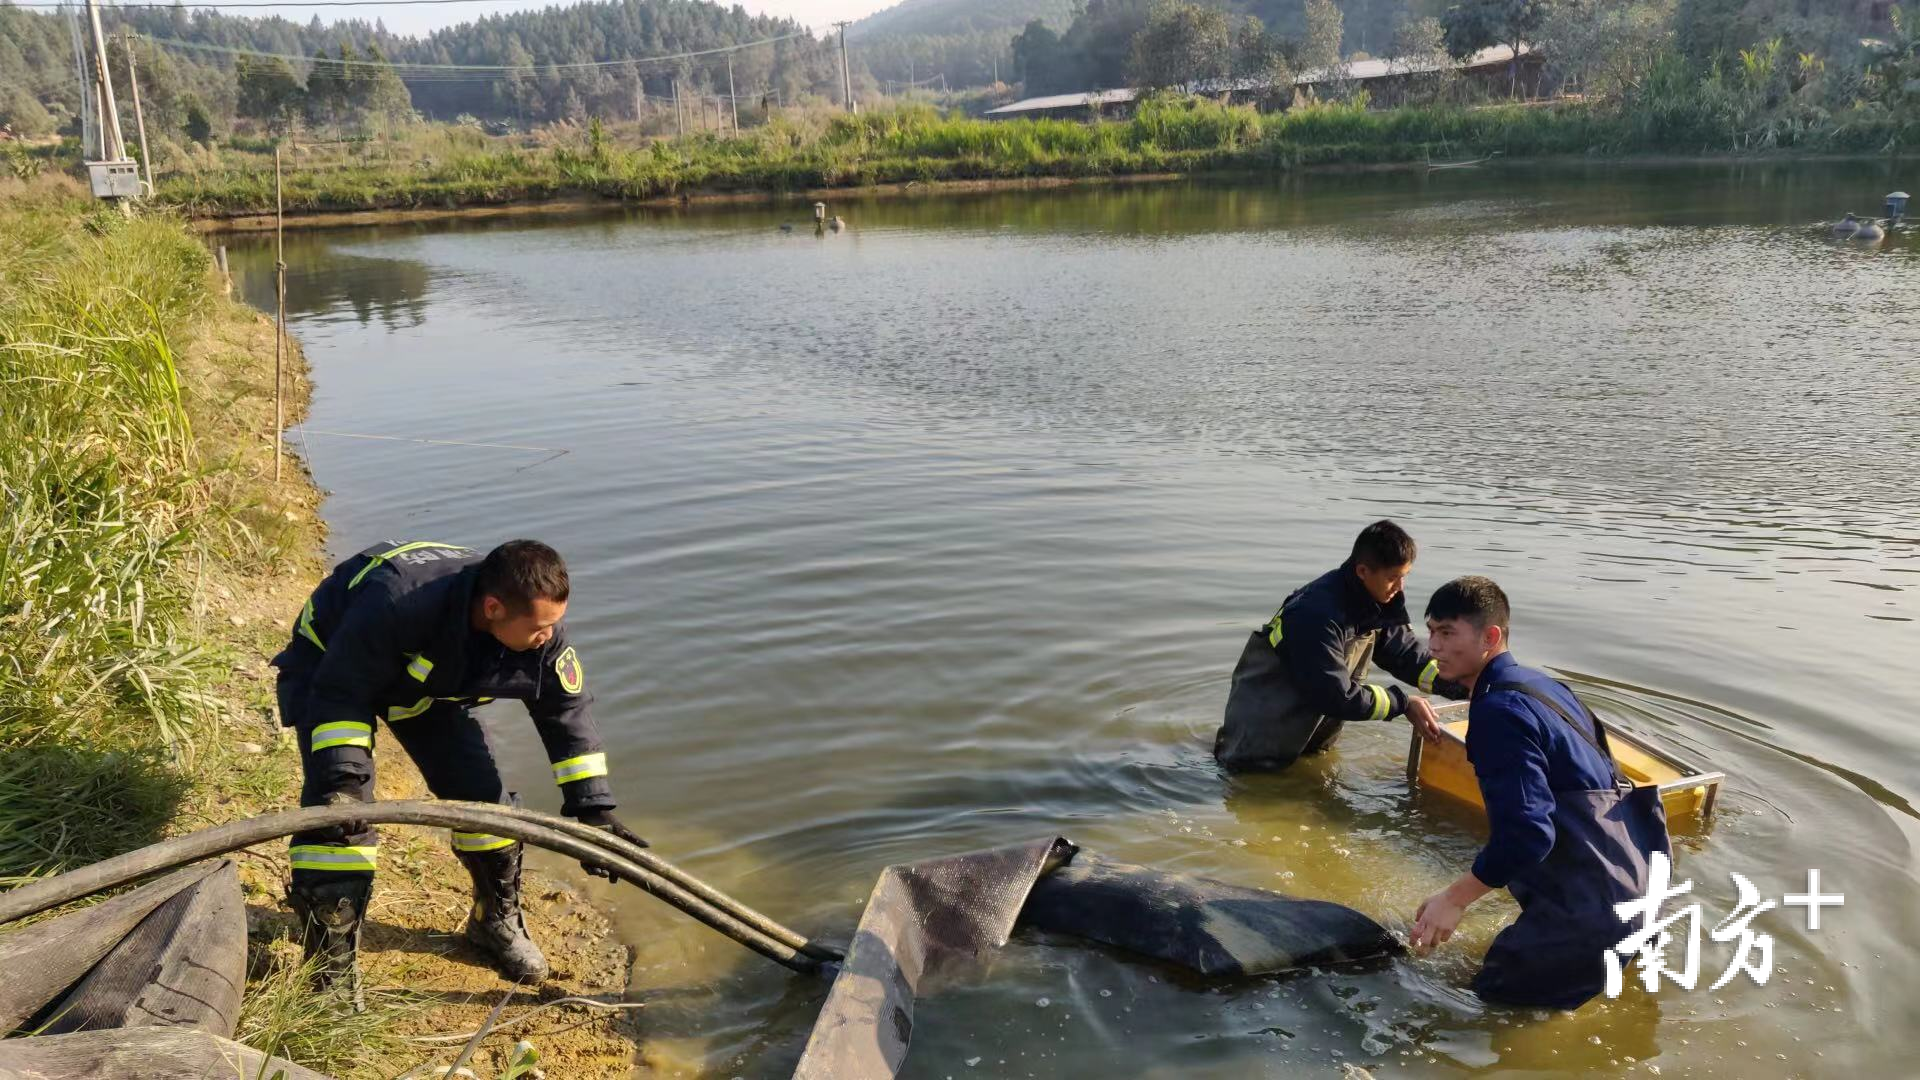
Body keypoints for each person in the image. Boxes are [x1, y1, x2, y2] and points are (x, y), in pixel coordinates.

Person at [272, 539, 642, 1004]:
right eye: (540, 626)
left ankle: (494, 922)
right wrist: (343, 782)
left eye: (555, 622)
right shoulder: (395, 602)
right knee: (338, 829)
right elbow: (341, 692)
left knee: (486, 809)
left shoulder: (538, 631)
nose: (550, 635)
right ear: (493, 608)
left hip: (426, 684)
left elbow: (565, 713)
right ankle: (329, 978)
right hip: (331, 670)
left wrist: (593, 808)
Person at [1408, 576, 1670, 1009]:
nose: (1432, 646)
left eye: (1447, 633)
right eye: (1431, 631)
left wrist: (1453, 900)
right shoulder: (1545, 687)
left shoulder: (1498, 712)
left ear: (1490, 637)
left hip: (1590, 917)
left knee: (1478, 1015)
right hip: (1639, 890)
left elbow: (1529, 833)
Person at [1214, 520, 1466, 772]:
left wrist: (1465, 686)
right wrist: (1402, 703)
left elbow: (1407, 656)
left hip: (1308, 743)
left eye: (1404, 577)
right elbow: (1335, 696)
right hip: (1258, 747)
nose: (1400, 587)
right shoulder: (1315, 614)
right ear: (1363, 572)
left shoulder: (1377, 601)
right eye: (1392, 578)